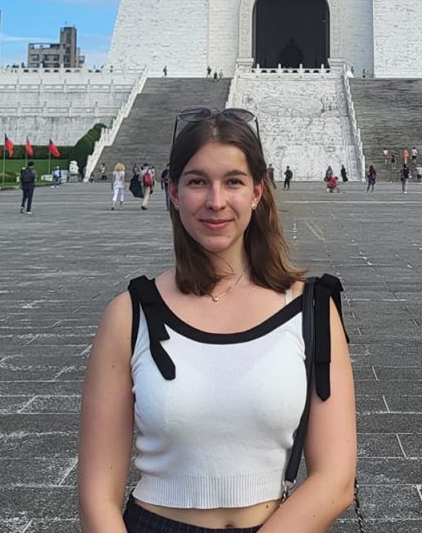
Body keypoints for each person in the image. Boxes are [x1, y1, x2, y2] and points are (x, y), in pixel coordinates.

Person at [77, 107, 356, 532]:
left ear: (258, 192)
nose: (216, 201)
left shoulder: (313, 308)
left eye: (234, 181)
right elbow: (98, 494)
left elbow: (335, 480)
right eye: (196, 182)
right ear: (172, 192)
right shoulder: (129, 315)